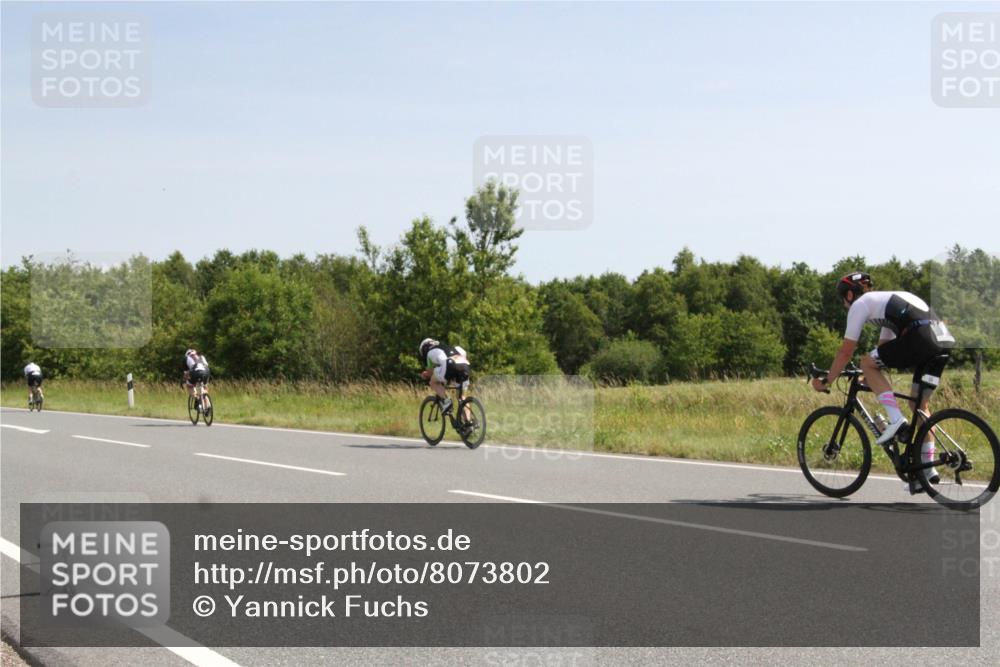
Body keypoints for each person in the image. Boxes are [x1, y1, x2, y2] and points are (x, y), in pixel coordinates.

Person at [812, 272, 955, 490]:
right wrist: (868, 376)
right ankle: (926, 470)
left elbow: (846, 352)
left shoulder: (860, 305)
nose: (844, 305)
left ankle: (896, 420)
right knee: (919, 405)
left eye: (843, 299)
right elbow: (883, 352)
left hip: (921, 336)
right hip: (942, 339)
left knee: (865, 361)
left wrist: (827, 381)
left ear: (849, 294)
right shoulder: (887, 304)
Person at [418, 338, 470, 415]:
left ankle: (446, 401)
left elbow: (430, 373)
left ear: (424, 349)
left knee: (432, 382)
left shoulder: (429, 353)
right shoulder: (447, 347)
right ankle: (469, 421)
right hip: (465, 365)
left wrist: (426, 374)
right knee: (461, 398)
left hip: (450, 365)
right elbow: (463, 352)